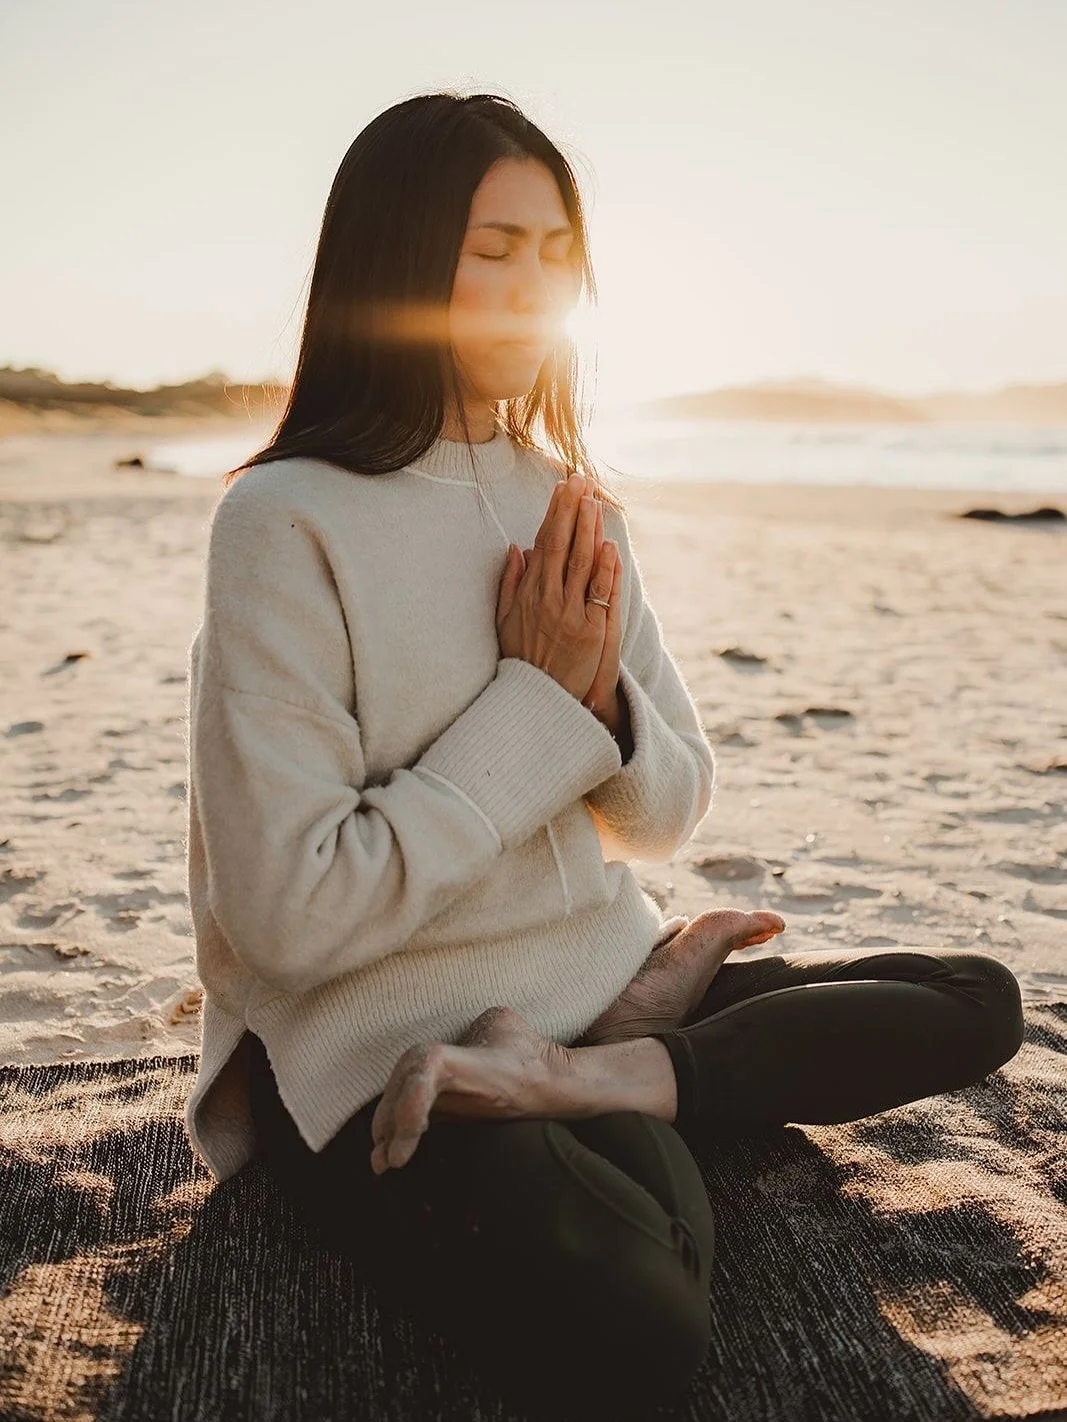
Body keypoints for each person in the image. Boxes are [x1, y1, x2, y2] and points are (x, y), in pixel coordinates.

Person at [183, 91, 1025, 1420]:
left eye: (554, 249)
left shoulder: (570, 500)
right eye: (489, 249)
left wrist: (607, 711)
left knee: (976, 997)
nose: (532, 289)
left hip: (592, 989)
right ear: (393, 260)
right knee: (634, 1325)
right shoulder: (287, 521)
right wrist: (533, 701)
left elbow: (671, 801)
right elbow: (289, 921)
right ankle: (612, 1087)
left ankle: (604, 1065)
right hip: (380, 1053)